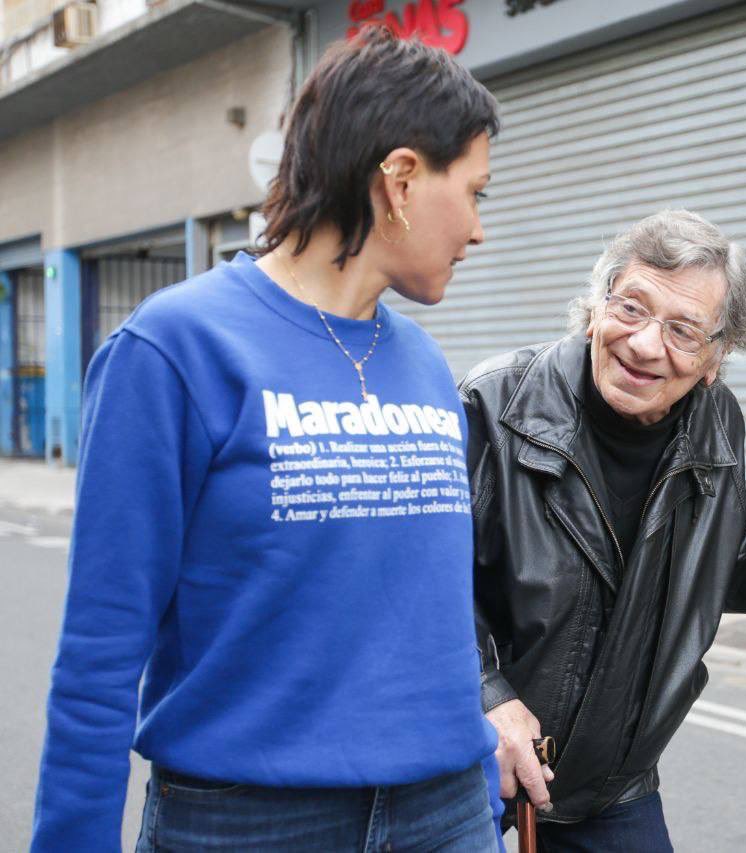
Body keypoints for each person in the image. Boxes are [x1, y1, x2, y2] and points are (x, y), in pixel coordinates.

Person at [32, 27, 503, 852]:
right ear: (398, 179)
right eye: (474, 193)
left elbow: (423, 602)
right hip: (249, 823)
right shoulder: (175, 351)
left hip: (447, 810)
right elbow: (100, 654)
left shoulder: (426, 363)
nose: (478, 230)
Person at [459, 209, 746, 850]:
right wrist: (485, 696)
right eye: (630, 309)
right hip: (477, 754)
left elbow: (721, 554)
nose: (646, 345)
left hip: (610, 778)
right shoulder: (496, 403)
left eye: (682, 330)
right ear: (596, 308)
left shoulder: (713, 420)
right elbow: (421, 578)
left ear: (716, 358)